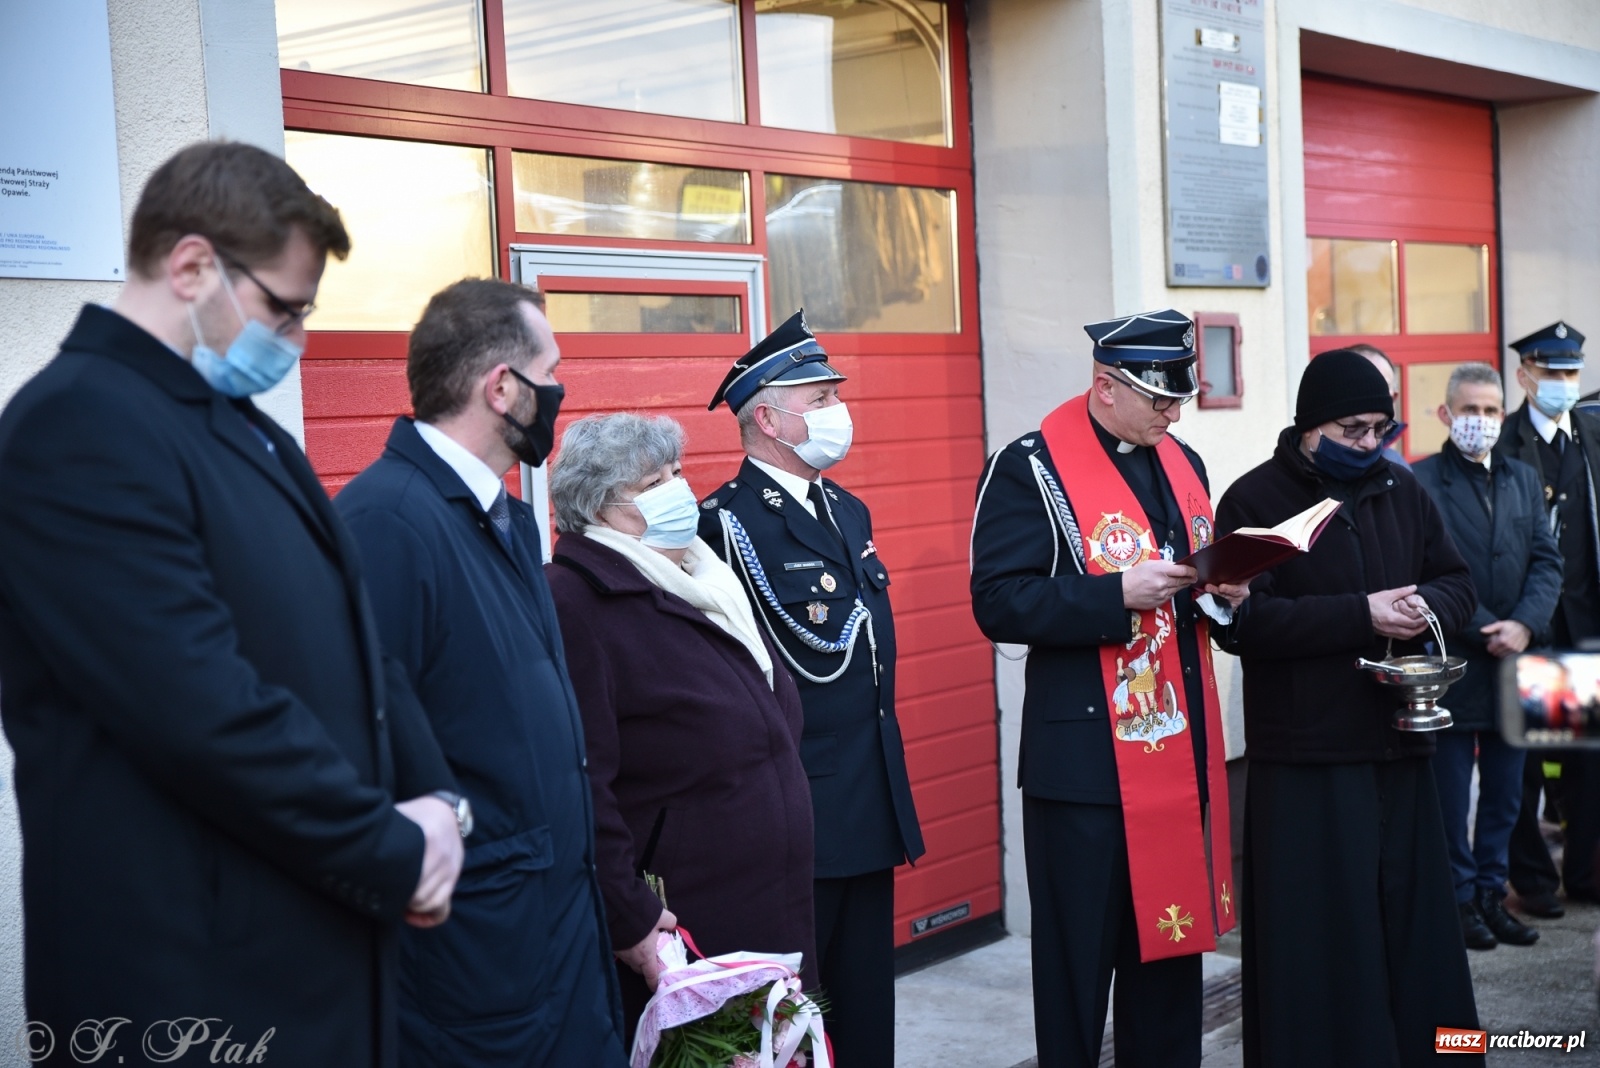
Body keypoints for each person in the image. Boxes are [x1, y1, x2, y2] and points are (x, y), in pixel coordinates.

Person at [0, 141, 463, 1065]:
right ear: (192, 265)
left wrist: (440, 805)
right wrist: (389, 848)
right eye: (283, 311)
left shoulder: (240, 432)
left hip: (308, 966)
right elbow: (197, 709)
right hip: (191, 985)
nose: (292, 342)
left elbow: (359, 650)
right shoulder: (74, 426)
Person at [335, 280, 626, 1064]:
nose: (559, 393)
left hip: (556, 953)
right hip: (473, 982)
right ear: (502, 387)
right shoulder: (387, 525)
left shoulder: (501, 515)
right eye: (550, 371)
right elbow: (364, 761)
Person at [970, 309, 1244, 1068]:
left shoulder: (1180, 458)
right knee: (1077, 969)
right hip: (1083, 768)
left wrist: (1221, 593)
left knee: (1169, 955)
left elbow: (1187, 577)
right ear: (1104, 387)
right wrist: (1110, 593)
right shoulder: (1030, 468)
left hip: (1174, 747)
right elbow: (997, 602)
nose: (1173, 413)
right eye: (1159, 400)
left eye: (1179, 399)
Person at [1217, 348, 1480, 1067]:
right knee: (1322, 946)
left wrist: (1427, 605)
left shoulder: (1401, 488)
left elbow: (1457, 579)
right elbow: (1247, 625)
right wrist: (1361, 615)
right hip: (1307, 757)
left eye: (1379, 430)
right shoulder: (1253, 501)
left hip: (1399, 746)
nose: (1368, 445)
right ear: (1309, 426)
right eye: (1352, 429)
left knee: (1414, 932)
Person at [698, 311, 923, 1065]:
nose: (837, 412)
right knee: (797, 1017)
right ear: (767, 416)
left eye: (833, 396)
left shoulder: (844, 507)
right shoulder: (724, 528)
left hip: (869, 791)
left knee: (867, 1008)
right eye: (819, 399)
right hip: (800, 806)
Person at [545, 413, 816, 1038]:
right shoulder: (576, 600)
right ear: (598, 507)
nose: (676, 490)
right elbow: (581, 781)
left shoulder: (702, 578)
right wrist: (630, 914)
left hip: (770, 902)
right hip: (683, 922)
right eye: (649, 483)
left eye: (676, 472)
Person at [1412, 363, 1561, 951]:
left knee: (1507, 794)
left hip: (1520, 661)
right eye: (1470, 410)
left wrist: (1524, 623)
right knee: (1453, 798)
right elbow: (1423, 569)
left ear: (1504, 414)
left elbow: (1548, 560)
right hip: (1458, 661)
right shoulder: (1422, 483)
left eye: (1491, 411)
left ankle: (1492, 894)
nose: (1482, 421)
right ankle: (1459, 900)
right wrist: (1482, 627)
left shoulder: (1524, 478)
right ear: (1448, 414)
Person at [1495, 320, 1600, 913]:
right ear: (1525, 376)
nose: (1563, 382)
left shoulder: (1591, 433)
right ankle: (1532, 880)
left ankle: (1584, 872)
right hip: (1527, 621)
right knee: (1526, 763)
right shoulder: (1504, 442)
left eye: (1571, 372)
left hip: (1583, 619)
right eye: (1551, 372)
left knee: (1585, 756)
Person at [1348, 342, 1411, 469]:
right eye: (1362, 384)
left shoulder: (1398, 467)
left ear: (1393, 398)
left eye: (1381, 387)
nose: (1371, 395)